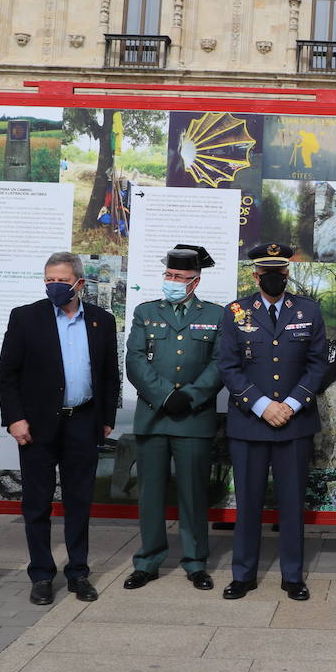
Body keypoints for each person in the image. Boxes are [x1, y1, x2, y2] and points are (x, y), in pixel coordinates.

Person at [0, 252, 120, 606]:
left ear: (79, 283)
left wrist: (106, 417)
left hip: (83, 420)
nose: (54, 286)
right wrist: (14, 418)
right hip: (37, 425)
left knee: (79, 501)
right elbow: (7, 375)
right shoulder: (26, 318)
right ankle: (41, 574)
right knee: (36, 503)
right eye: (49, 279)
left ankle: (78, 573)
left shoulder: (101, 320)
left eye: (62, 280)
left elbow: (110, 376)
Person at [217, 242, 330, 600]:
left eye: (279, 273)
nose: (274, 278)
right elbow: (228, 366)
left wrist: (292, 404)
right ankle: (244, 574)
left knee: (293, 503)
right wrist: (262, 404)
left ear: (287, 273)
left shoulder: (309, 311)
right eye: (266, 273)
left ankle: (292, 575)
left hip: (294, 423)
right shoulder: (235, 311)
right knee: (247, 502)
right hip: (250, 423)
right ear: (256, 275)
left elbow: (318, 365)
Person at [123, 245, 225, 592]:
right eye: (169, 276)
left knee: (193, 493)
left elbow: (220, 364)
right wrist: (166, 396)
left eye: (180, 278)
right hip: (153, 416)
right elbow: (135, 360)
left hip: (194, 419)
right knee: (150, 493)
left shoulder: (216, 315)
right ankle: (148, 561)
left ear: (194, 283)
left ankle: (195, 562)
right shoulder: (146, 312)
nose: (173, 282)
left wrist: (191, 397)